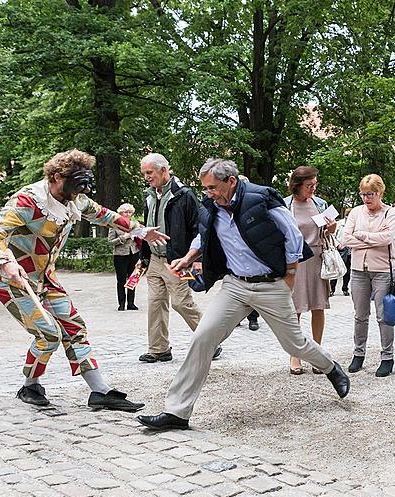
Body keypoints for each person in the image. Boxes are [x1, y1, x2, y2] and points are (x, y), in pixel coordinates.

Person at [137, 159, 350, 431]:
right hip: (235, 286)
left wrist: (289, 277)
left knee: (294, 345)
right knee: (203, 337)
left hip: (271, 284)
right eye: (205, 188)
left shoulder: (261, 199)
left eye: (213, 187)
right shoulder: (211, 206)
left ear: (232, 181)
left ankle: (331, 367)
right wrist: (188, 258)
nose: (208, 193)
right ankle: (177, 412)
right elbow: (204, 236)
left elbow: (293, 236)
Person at [0, 149, 165, 411]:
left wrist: (138, 229)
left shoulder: (76, 200)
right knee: (48, 334)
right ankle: (30, 385)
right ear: (55, 177)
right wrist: (3, 261)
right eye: (73, 185)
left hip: (45, 278)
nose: (77, 194)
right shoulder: (28, 201)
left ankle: (100, 391)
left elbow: (104, 215)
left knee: (75, 327)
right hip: (12, 280)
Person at [138, 153, 219, 364]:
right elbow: (147, 227)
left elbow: (197, 227)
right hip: (155, 259)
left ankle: (212, 342)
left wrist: (196, 258)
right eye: (144, 173)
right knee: (155, 304)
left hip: (177, 259)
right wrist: (143, 257)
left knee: (182, 303)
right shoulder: (149, 195)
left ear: (163, 170)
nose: (146, 177)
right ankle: (159, 349)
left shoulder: (184, 194)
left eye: (149, 172)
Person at [342, 175, 395, 377]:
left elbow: (388, 237)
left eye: (371, 194)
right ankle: (358, 354)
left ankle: (387, 357)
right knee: (360, 315)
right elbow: (345, 238)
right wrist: (372, 240)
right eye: (364, 194)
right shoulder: (356, 212)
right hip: (358, 270)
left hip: (383, 270)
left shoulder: (390, 213)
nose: (366, 198)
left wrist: (363, 236)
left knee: (384, 316)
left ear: (380, 193)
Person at [283, 166, 336, 375]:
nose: (313, 189)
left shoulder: (320, 203)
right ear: (297, 185)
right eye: (309, 185)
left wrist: (331, 228)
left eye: (315, 184)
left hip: (316, 258)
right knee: (294, 309)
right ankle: (295, 354)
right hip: (295, 260)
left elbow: (327, 232)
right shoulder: (286, 205)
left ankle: (316, 353)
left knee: (318, 306)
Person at [108, 203, 141, 311]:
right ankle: (121, 304)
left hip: (134, 253)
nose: (128, 214)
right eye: (125, 212)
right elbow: (110, 242)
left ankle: (131, 303)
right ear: (120, 213)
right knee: (121, 280)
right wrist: (124, 237)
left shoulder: (135, 224)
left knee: (133, 279)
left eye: (130, 212)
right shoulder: (114, 225)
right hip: (120, 255)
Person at [329, 207, 352, 296]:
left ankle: (345, 288)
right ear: (346, 216)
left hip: (350, 249)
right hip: (340, 249)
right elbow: (332, 235)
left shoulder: (355, 224)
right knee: (336, 269)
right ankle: (332, 289)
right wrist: (337, 244)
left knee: (348, 271)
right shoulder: (339, 224)